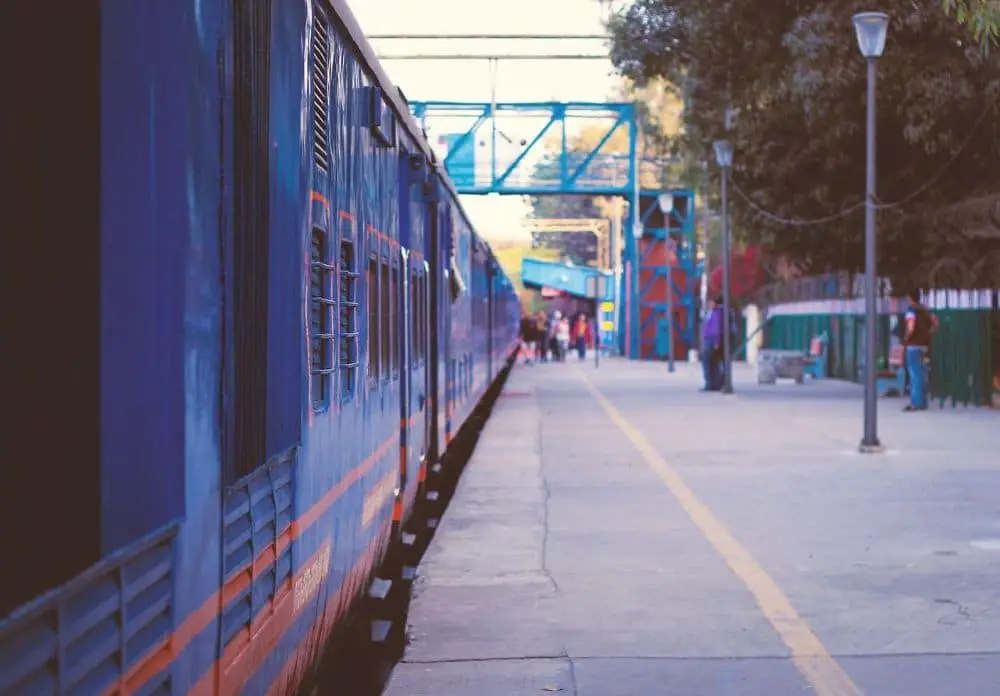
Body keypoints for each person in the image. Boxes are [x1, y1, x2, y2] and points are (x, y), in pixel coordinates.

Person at [902, 289, 937, 411]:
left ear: (910, 298)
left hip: (913, 347)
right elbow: (935, 323)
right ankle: (923, 402)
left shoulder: (911, 311)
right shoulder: (926, 310)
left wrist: (907, 337)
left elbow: (911, 326)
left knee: (914, 375)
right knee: (923, 374)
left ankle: (915, 403)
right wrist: (928, 335)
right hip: (924, 347)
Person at [701, 297, 723, 391]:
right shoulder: (709, 313)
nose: (709, 304)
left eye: (711, 302)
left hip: (711, 340)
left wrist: (716, 342)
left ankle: (709, 383)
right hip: (708, 339)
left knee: (707, 362)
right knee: (712, 362)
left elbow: (716, 329)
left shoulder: (715, 314)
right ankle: (714, 383)